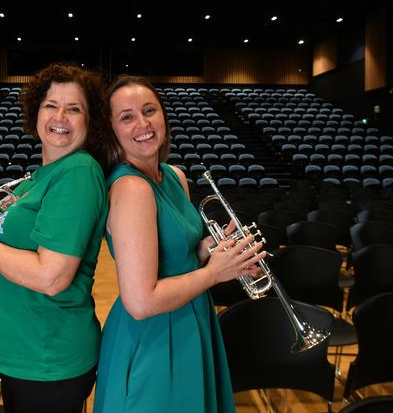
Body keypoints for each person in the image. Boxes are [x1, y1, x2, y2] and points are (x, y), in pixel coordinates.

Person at [0, 63, 109, 413]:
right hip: (24, 353)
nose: (61, 116)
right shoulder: (39, 177)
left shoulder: (78, 173)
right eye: (50, 105)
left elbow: (52, 276)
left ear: (91, 121)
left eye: (74, 109)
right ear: (35, 112)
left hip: (48, 357)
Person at [93, 75, 266, 413]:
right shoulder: (131, 189)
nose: (142, 123)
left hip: (191, 315)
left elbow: (180, 254)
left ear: (163, 117)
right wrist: (216, 273)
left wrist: (215, 250)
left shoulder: (174, 176)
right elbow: (141, 302)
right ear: (111, 129)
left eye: (149, 110)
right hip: (155, 333)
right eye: (126, 117)